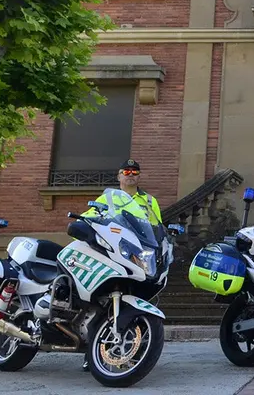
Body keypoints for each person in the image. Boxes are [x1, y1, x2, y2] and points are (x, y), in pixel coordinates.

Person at [81, 159, 162, 371]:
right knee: (102, 301)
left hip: (136, 255)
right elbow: (90, 217)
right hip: (112, 250)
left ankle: (135, 350)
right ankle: (92, 353)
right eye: (126, 171)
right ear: (119, 176)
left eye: (135, 171)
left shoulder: (149, 201)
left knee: (130, 302)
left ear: (139, 176)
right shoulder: (108, 197)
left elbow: (156, 229)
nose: (131, 174)